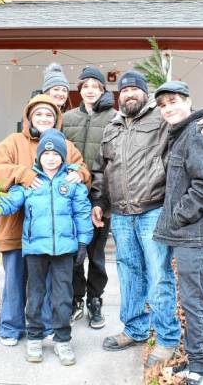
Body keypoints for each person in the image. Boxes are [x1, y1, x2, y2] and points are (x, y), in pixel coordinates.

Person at [91, 70, 203, 367]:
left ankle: (166, 339)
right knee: (128, 274)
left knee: (158, 276)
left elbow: (192, 116)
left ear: (145, 93)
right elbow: (103, 170)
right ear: (118, 95)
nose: (129, 94)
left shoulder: (160, 119)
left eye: (135, 90)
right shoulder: (111, 127)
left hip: (153, 210)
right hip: (122, 214)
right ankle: (135, 328)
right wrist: (99, 201)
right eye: (124, 91)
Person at [0, 93, 90, 347]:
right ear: (29, 117)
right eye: (38, 114)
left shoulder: (66, 145)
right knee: (15, 281)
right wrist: (23, 174)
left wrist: (81, 175)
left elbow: (81, 170)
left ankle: (42, 328)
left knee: (43, 284)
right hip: (15, 226)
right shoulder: (12, 142)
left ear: (57, 120)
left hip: (51, 233)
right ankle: (11, 327)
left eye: (49, 115)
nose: (44, 118)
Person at [152, 81, 203, 385]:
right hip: (188, 233)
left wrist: (179, 213)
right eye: (163, 105)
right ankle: (196, 358)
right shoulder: (182, 132)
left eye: (174, 101)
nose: (168, 108)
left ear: (188, 102)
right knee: (193, 299)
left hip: (196, 233)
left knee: (195, 301)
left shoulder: (197, 134)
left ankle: (200, 368)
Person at [62, 66, 117, 329]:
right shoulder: (67, 118)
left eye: (96, 85)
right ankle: (76, 299)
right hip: (71, 201)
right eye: (85, 86)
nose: (90, 90)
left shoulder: (114, 118)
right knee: (74, 252)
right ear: (80, 90)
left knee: (96, 254)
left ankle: (95, 299)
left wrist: (101, 200)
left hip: (101, 198)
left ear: (103, 90)